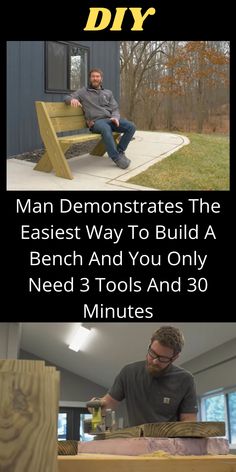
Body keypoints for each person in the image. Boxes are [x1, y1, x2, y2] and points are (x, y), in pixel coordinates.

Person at [89, 326, 198, 427]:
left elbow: (189, 421)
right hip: (137, 442)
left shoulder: (185, 379)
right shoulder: (128, 372)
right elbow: (107, 404)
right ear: (150, 345)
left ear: (174, 358)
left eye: (162, 358)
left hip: (169, 444)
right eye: (153, 353)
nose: (155, 361)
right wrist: (97, 406)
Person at [64, 68, 136, 169]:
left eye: (97, 76)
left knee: (131, 126)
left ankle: (120, 151)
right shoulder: (83, 92)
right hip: (96, 122)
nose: (95, 78)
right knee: (106, 129)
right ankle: (116, 158)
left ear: (101, 79)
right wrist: (72, 99)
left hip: (110, 120)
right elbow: (66, 97)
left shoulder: (108, 93)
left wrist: (115, 117)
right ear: (90, 78)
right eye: (93, 76)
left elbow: (114, 108)